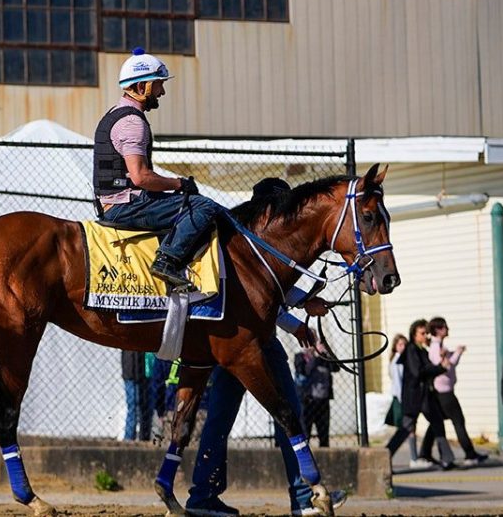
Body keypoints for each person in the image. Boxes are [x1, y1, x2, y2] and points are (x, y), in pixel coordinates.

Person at [184, 178, 345, 517]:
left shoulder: (244, 244)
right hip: (257, 345)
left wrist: (305, 302)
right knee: (288, 414)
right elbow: (264, 303)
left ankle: (202, 496)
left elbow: (274, 295)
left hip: (231, 346)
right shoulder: (255, 245)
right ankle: (303, 497)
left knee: (219, 420)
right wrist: (297, 322)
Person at [93, 48, 227, 290]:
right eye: (158, 85)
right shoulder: (132, 122)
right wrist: (180, 184)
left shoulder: (115, 114)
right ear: (141, 86)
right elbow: (141, 177)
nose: (162, 92)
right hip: (125, 207)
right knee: (203, 206)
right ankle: (167, 261)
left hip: (118, 202)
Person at [385, 319, 453, 470]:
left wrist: (440, 366)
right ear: (414, 335)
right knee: (406, 428)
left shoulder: (421, 350)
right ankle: (384, 457)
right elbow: (418, 372)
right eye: (422, 333)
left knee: (437, 422)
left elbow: (427, 369)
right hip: (414, 397)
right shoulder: (411, 350)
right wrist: (440, 368)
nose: (426, 336)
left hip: (424, 396)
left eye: (426, 333)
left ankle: (447, 458)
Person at [420, 317, 487, 466]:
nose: (447, 329)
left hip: (444, 391)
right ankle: (470, 454)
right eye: (444, 327)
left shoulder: (438, 346)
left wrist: (453, 353)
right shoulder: (435, 347)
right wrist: (458, 353)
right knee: (458, 421)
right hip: (444, 392)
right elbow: (445, 366)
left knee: (436, 422)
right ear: (437, 330)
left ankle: (425, 453)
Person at [385, 333, 428, 468]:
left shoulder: (405, 359)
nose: (403, 347)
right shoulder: (397, 362)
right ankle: (411, 458)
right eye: (400, 344)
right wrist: (403, 400)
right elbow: (398, 384)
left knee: (409, 428)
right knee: (406, 429)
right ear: (395, 347)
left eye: (404, 344)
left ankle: (414, 458)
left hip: (407, 398)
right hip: (402, 399)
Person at [294, 345, 334, 447]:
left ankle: (324, 452)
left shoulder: (323, 358)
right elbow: (304, 371)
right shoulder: (300, 357)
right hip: (308, 401)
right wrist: (314, 357)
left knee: (324, 434)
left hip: (323, 401)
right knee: (305, 433)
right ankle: (305, 455)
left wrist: (326, 353)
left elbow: (335, 367)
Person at [120, 350, 152, 441]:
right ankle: (129, 437)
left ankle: (139, 436)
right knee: (133, 406)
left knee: (140, 406)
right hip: (131, 375)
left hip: (139, 374)